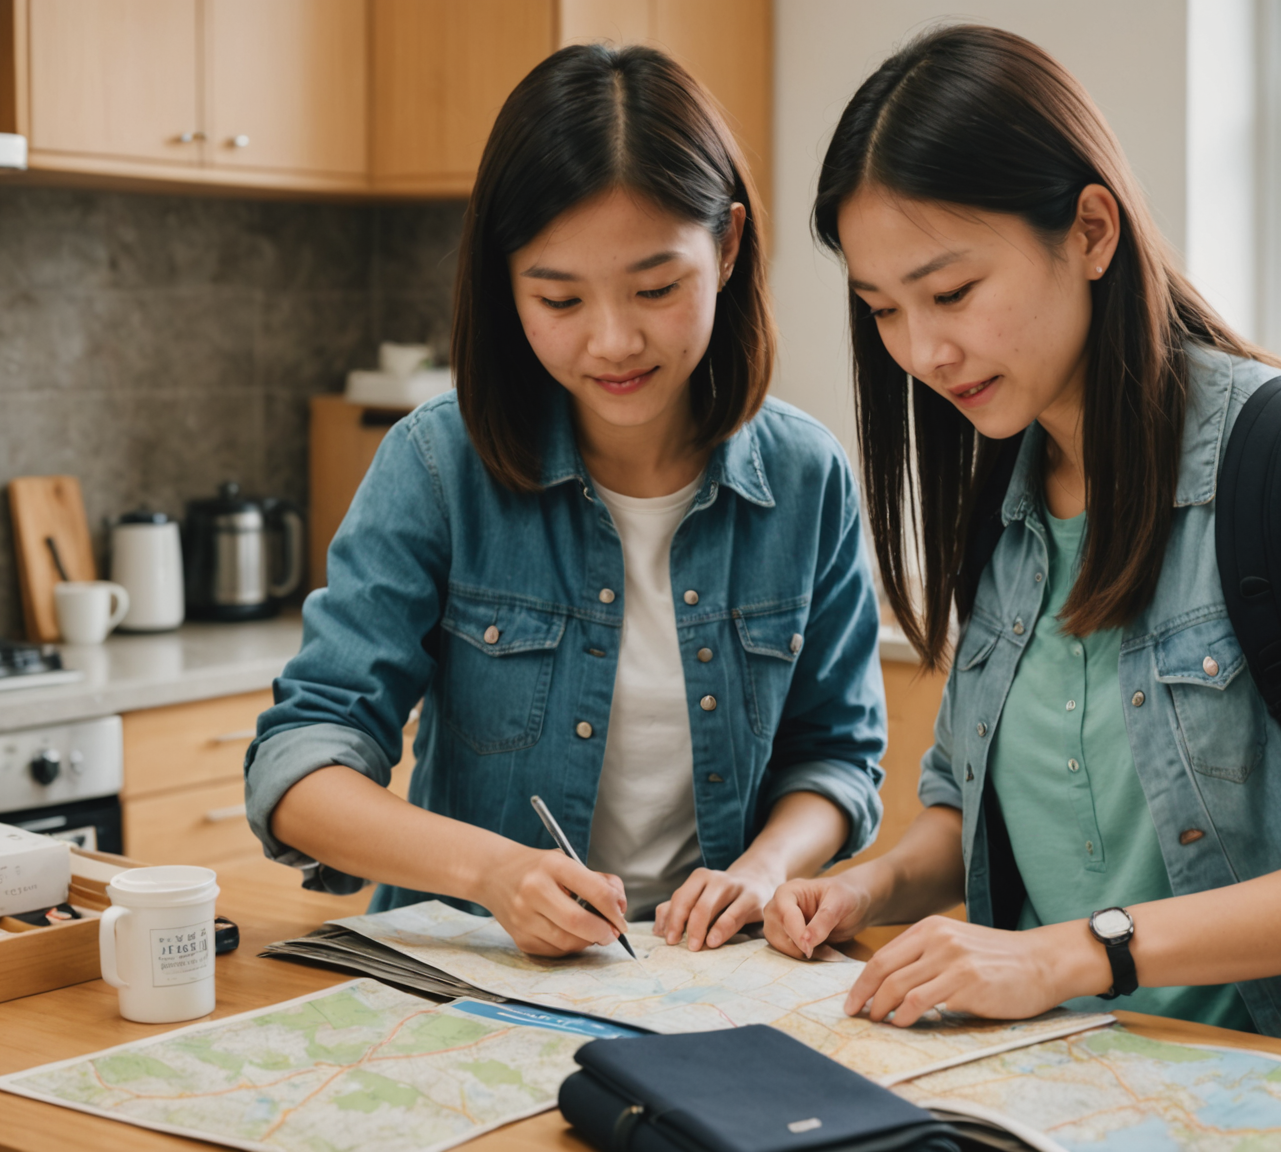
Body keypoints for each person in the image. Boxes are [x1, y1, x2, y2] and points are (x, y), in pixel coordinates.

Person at [763, 25, 1281, 1071]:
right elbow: (967, 815)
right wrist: (867, 888)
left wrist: (1074, 954)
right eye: (884, 310)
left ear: (1092, 231)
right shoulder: (1008, 501)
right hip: (1089, 1092)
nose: (924, 352)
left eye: (953, 292)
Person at [245, 44, 887, 959]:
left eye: (657, 288)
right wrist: (492, 874)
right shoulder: (438, 465)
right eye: (559, 298)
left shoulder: (806, 477)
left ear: (730, 246)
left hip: (712, 975)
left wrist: (765, 867)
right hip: (478, 972)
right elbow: (299, 763)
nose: (613, 341)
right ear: (507, 284)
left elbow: (838, 758)